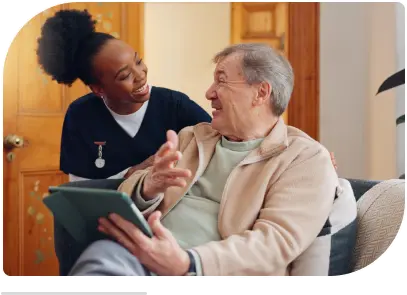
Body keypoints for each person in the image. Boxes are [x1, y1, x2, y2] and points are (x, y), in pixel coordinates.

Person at [67, 43, 355, 277]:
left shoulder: (303, 158)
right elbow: (126, 195)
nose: (209, 93)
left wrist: (189, 263)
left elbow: (275, 243)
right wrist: (148, 186)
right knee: (101, 261)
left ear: (261, 93)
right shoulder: (191, 137)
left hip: (210, 269)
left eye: (221, 80)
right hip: (138, 258)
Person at [36, 9, 212, 182]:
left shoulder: (175, 104)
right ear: (98, 89)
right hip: (106, 209)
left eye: (138, 61)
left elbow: (220, 141)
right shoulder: (80, 115)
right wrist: (135, 172)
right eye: (125, 75)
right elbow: (81, 189)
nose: (140, 75)